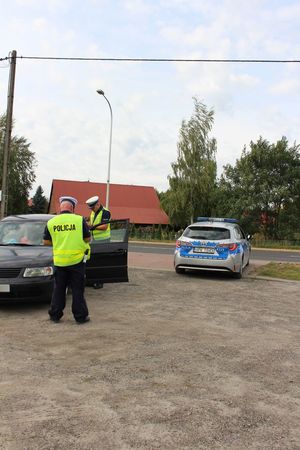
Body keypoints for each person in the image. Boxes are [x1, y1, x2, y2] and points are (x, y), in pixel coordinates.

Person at [43, 196, 91, 324]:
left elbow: (46, 242)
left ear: (60, 208)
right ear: (72, 208)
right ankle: (80, 317)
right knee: (77, 290)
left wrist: (59, 242)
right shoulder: (79, 220)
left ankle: (55, 315)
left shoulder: (51, 222)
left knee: (59, 289)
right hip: (77, 261)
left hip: (59, 262)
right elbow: (87, 239)